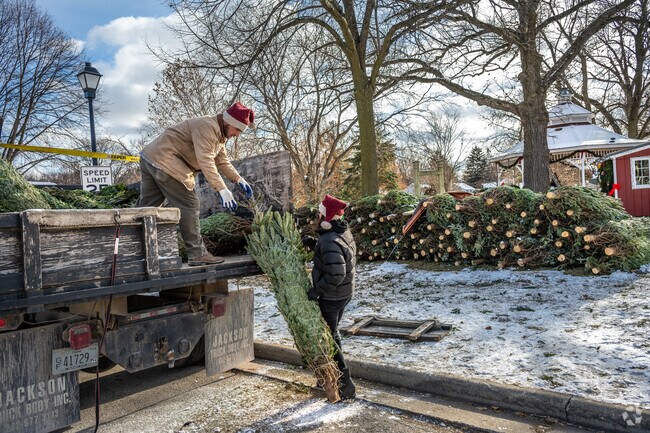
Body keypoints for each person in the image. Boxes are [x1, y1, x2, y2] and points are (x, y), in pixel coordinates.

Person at [136, 102, 255, 266]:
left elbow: (222, 162)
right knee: (189, 204)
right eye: (238, 130)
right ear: (230, 122)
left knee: (146, 208)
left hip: (150, 158)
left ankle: (128, 248)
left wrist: (238, 179)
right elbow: (206, 161)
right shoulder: (208, 127)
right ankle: (197, 254)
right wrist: (221, 189)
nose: (237, 135)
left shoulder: (220, 135)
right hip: (165, 161)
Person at [308, 194, 357, 400]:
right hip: (344, 293)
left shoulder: (329, 240)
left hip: (332, 296)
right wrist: (315, 246)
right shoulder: (341, 232)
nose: (317, 216)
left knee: (330, 338)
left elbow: (336, 273)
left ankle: (345, 384)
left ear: (327, 216)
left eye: (320, 212)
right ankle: (329, 378)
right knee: (332, 334)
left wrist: (316, 290)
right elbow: (337, 256)